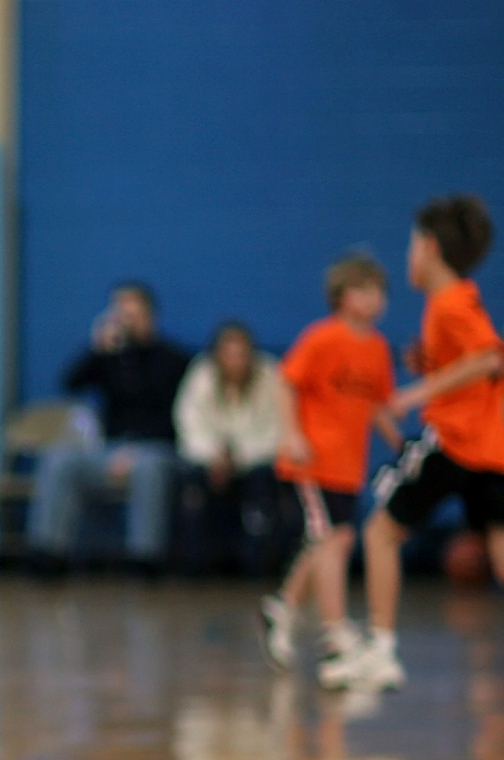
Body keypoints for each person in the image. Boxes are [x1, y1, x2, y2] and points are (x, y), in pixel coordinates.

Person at [322, 195, 504, 690]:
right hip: (492, 448)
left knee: (380, 531)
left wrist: (415, 392)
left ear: (426, 247)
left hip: (458, 441)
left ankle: (381, 649)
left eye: (410, 245)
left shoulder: (450, 301)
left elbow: (488, 359)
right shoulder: (453, 302)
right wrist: (433, 365)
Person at [259, 255, 400, 672]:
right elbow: (287, 382)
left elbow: (377, 402)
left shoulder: (377, 348)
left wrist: (398, 441)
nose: (377, 300)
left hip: (347, 468)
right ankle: (335, 633)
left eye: (381, 292)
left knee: (329, 542)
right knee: (333, 542)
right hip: (312, 463)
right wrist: (292, 433)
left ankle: (281, 608)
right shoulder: (322, 339)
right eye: (367, 290)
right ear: (344, 297)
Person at [27, 282, 193, 574]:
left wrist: (134, 450)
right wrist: (96, 348)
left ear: (149, 314)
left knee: (148, 469)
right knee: (59, 461)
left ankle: (145, 559)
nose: (127, 320)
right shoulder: (111, 358)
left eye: (134, 313)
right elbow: (70, 383)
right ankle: (48, 553)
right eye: (121, 313)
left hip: (158, 449)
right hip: (110, 448)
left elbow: (180, 419)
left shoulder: (174, 360)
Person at [173, 321, 286, 573]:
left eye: (242, 355)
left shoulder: (270, 374)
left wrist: (239, 457)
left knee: (263, 482)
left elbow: (278, 429)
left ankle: (257, 565)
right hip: (209, 460)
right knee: (191, 481)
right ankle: (197, 566)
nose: (236, 362)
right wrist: (214, 455)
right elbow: (189, 423)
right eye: (229, 355)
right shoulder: (201, 375)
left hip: (256, 460)